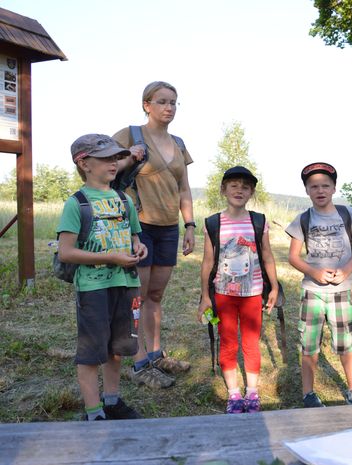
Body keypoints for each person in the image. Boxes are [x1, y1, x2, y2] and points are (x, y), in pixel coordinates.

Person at [57, 134, 148, 420]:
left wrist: (138, 247)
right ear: (84, 164)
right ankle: (94, 412)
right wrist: (110, 257)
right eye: (106, 158)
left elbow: (135, 238)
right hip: (94, 289)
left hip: (126, 284)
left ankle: (112, 401)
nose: (114, 163)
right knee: (91, 351)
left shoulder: (124, 200)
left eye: (116, 158)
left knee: (116, 347)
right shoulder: (77, 204)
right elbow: (66, 252)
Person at [113, 81, 195, 388]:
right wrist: (128, 156)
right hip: (139, 227)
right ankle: (139, 361)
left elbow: (184, 188)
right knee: (137, 295)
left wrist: (189, 225)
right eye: (162, 101)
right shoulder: (130, 134)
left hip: (168, 228)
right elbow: (103, 166)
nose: (169, 107)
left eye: (173, 102)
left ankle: (156, 354)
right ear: (147, 105)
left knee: (156, 295)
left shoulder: (179, 143)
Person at [286, 162, 352, 407]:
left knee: (345, 343)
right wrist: (314, 272)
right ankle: (308, 394)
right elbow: (293, 257)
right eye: (314, 186)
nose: (320, 190)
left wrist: (345, 271)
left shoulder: (347, 213)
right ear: (307, 191)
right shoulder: (302, 219)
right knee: (309, 345)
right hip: (312, 293)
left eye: (325, 185)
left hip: (341, 292)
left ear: (334, 188)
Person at [198, 166, 279, 413]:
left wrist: (274, 287)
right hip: (223, 295)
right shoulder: (213, 223)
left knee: (251, 343)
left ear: (252, 192)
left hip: (253, 293)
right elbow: (208, 261)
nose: (239, 190)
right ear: (223, 190)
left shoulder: (258, 221)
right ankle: (233, 394)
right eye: (233, 185)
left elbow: (267, 256)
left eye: (245, 187)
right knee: (228, 342)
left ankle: (252, 393)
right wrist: (205, 296)